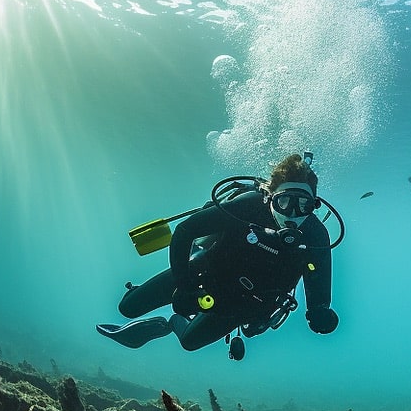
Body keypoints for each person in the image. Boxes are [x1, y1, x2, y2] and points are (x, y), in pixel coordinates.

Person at [97, 152, 338, 359]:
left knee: (189, 342)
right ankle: (150, 303)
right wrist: (184, 286)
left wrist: (319, 310)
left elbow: (318, 281)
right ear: (270, 198)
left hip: (246, 305)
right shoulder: (248, 205)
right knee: (128, 308)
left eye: (304, 205)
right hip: (202, 275)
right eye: (284, 201)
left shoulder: (315, 235)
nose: (293, 214)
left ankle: (167, 323)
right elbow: (185, 230)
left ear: (314, 204)